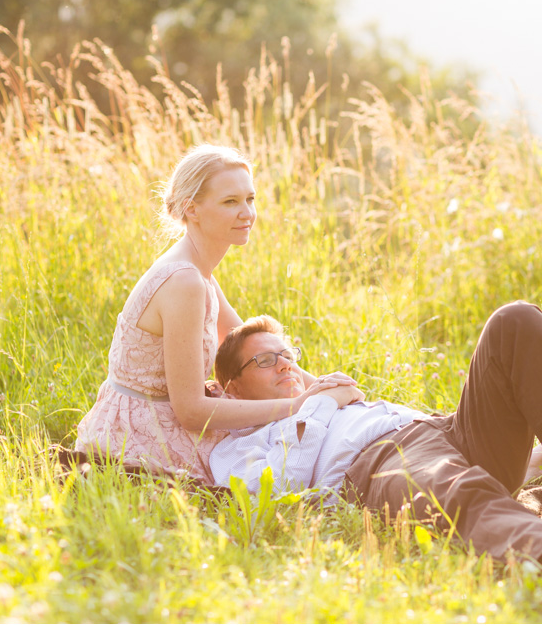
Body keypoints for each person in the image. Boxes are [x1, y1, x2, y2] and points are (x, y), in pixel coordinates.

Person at [209, 302, 542, 571]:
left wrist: (535, 457)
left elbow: (438, 435)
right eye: (265, 362)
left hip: (442, 428)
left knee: (515, 320)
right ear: (232, 387)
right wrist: (320, 403)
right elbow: (279, 492)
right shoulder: (238, 446)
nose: (286, 365)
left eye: (286, 354)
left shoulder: (333, 398)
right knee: (447, 483)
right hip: (379, 462)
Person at [74, 145, 356, 482]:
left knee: (314, 436)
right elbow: (191, 412)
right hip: (144, 435)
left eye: (250, 199)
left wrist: (322, 387)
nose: (247, 213)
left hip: (170, 416)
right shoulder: (184, 282)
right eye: (230, 202)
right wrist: (301, 405)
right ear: (192, 209)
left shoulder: (198, 269)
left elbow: (249, 346)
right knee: (293, 461)